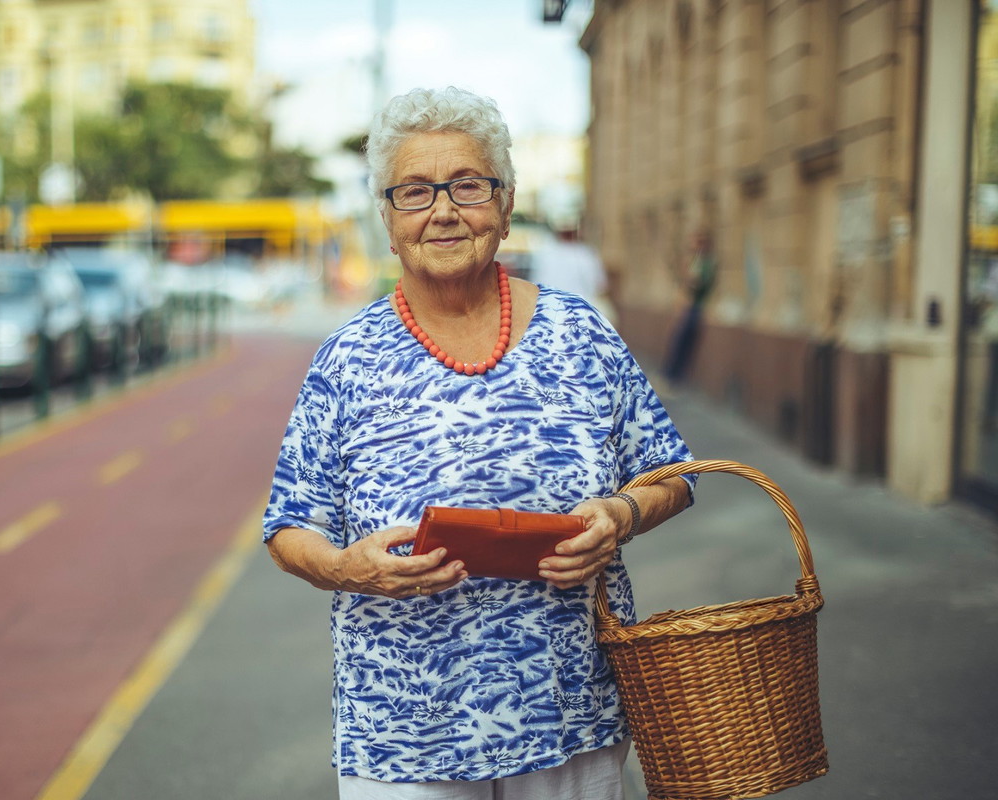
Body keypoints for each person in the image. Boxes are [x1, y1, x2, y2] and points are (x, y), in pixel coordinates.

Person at [263, 87, 695, 800]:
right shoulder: (347, 359)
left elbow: (673, 472)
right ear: (387, 217)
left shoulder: (579, 334)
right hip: (402, 733)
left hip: (569, 714)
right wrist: (348, 567)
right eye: (414, 191)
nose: (442, 210)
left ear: (505, 202)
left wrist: (619, 516)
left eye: (467, 184)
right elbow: (288, 526)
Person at [662, 230, 716, 384]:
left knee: (682, 343)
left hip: (696, 309)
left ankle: (675, 376)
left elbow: (698, 284)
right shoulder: (695, 260)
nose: (693, 245)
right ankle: (670, 374)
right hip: (687, 307)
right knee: (676, 341)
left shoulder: (706, 263)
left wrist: (688, 277)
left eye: (696, 241)